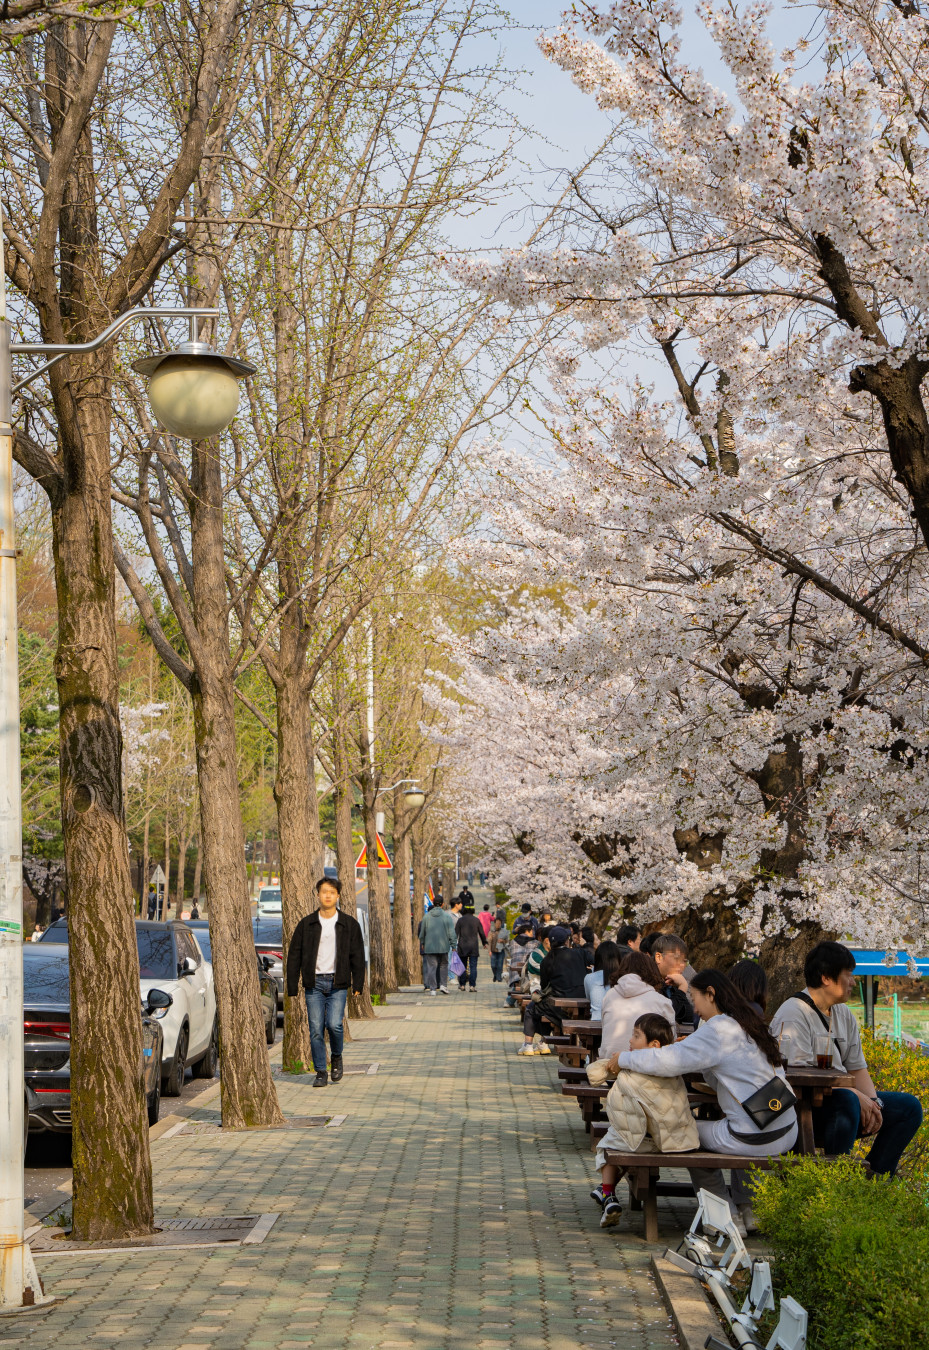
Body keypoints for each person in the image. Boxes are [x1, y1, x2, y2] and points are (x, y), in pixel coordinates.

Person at [618, 968, 798, 1236]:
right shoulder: (748, 1021)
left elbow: (667, 1062)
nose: (694, 1006)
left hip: (754, 1138)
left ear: (711, 995)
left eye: (695, 998)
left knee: (685, 1132)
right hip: (785, 1129)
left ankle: (722, 1216)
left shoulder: (718, 1029)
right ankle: (749, 1209)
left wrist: (622, 1059)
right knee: (738, 1125)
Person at [770, 941, 923, 1178]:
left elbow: (857, 1068)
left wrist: (873, 1104)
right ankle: (837, 1183)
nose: (853, 982)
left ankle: (872, 1182)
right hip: (805, 1111)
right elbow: (796, 1080)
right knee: (846, 1102)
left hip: (846, 1101)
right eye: (848, 975)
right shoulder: (793, 1013)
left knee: (908, 1108)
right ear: (826, 978)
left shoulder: (844, 1014)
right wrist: (855, 1096)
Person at [592, 1013, 696, 1227]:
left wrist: (611, 1063)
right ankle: (602, 1190)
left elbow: (593, 1075)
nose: (630, 1040)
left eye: (636, 1036)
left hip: (641, 1142)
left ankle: (608, 1194)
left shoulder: (631, 1066)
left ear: (654, 1044)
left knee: (608, 1144)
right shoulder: (674, 1068)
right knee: (627, 1138)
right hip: (671, 1141)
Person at [286, 876, 366, 1088]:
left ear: (338, 895)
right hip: (314, 984)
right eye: (324, 892)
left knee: (334, 1024)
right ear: (318, 895)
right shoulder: (307, 924)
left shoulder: (348, 924)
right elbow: (294, 955)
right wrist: (292, 986)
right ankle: (321, 1070)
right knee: (315, 1028)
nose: (328, 895)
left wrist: (358, 984)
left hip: (337, 983)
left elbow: (358, 955)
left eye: (332, 892)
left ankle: (337, 1057)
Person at [599, 951, 676, 1061]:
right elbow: (670, 1041)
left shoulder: (609, 996)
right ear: (651, 971)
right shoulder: (662, 1001)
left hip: (609, 1064)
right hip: (644, 1067)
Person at [650, 933, 695, 1027]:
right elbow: (665, 1016)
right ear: (659, 957)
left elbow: (688, 1018)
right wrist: (682, 988)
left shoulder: (671, 983)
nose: (682, 965)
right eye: (677, 959)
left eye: (684, 961)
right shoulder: (647, 983)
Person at [418, 897, 458, 995]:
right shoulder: (447, 916)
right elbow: (451, 933)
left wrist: (423, 943)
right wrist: (453, 945)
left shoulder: (426, 917)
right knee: (443, 965)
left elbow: (422, 933)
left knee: (432, 967)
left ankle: (432, 989)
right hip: (443, 945)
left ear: (433, 903)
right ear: (442, 904)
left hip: (430, 946)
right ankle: (443, 985)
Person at [584, 940, 622, 1020]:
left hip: (597, 1020)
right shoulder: (623, 978)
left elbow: (588, 998)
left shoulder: (589, 978)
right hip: (618, 1022)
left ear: (597, 958)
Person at [456, 905, 487, 991]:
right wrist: (485, 943)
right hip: (473, 946)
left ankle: (462, 985)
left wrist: (453, 944)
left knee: (463, 966)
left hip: (462, 946)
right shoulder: (476, 920)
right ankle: (472, 986)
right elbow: (482, 933)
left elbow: (456, 933)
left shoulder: (460, 920)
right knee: (473, 966)